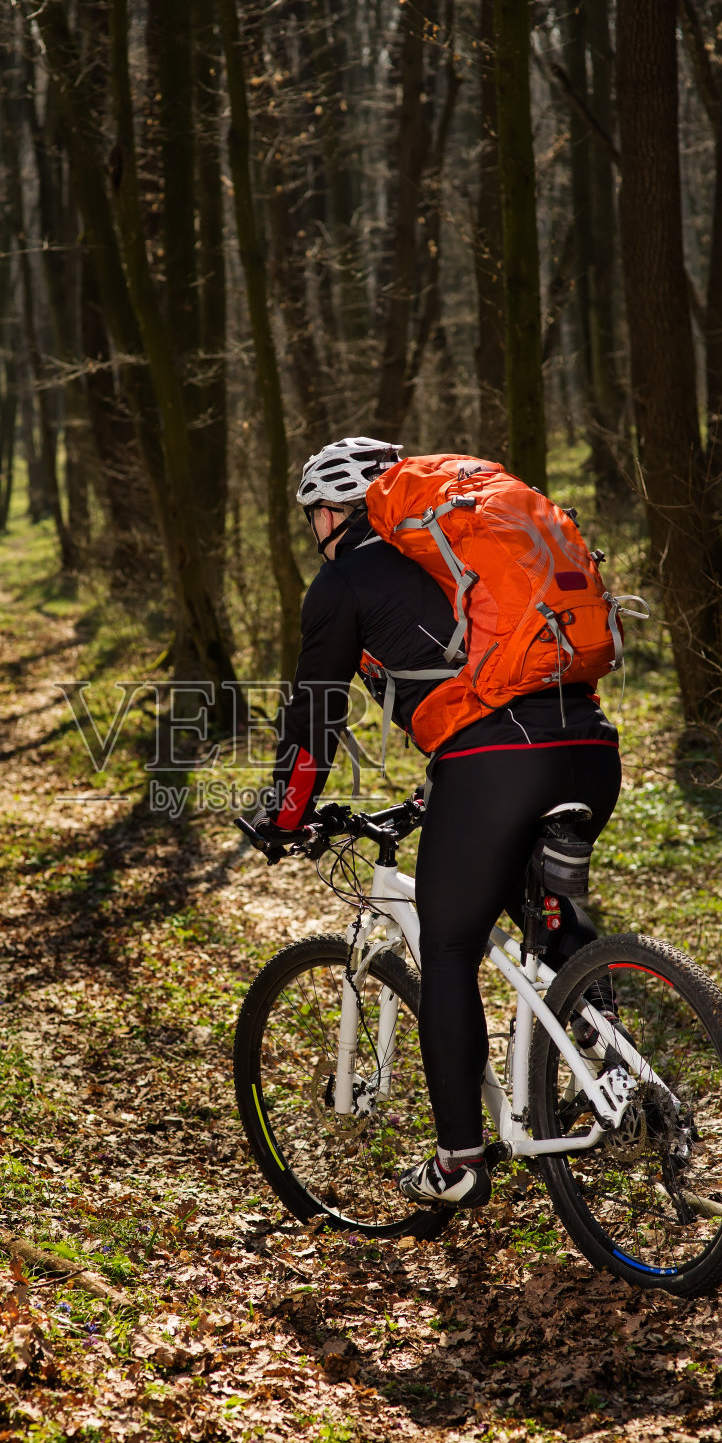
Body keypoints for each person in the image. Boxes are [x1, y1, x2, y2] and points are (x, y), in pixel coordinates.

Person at [253, 438, 622, 1209]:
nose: (313, 528)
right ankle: (614, 1066)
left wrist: (282, 816)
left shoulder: (344, 580)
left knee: (448, 944)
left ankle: (458, 1163)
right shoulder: (459, 557)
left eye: (312, 514)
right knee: (549, 921)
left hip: (497, 762)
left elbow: (315, 714)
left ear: (331, 511)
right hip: (587, 742)